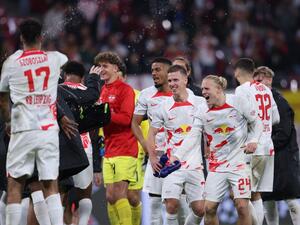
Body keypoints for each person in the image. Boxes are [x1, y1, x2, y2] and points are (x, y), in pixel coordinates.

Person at [0, 18, 68, 225]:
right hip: (47, 130)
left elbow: (2, 99)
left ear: (21, 38)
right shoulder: (55, 58)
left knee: (15, 184)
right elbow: (66, 60)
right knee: (50, 183)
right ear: (40, 37)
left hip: (22, 129)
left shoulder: (11, 63)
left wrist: (8, 122)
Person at [177, 75, 262, 225]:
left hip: (239, 164)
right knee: (209, 209)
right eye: (202, 88)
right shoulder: (202, 110)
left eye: (206, 88)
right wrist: (177, 156)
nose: (203, 92)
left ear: (219, 89)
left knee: (242, 206)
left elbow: (257, 123)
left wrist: (253, 141)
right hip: (216, 166)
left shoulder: (238, 102)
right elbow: (192, 136)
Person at [148, 65, 207, 225]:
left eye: (175, 80)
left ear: (185, 80)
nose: (172, 84)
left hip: (195, 164)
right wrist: (153, 157)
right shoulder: (163, 106)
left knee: (200, 209)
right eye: (170, 81)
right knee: (171, 205)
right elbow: (151, 133)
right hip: (173, 164)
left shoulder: (200, 102)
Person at [234, 58, 280, 225]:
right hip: (267, 148)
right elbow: (276, 118)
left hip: (250, 148)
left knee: (239, 194)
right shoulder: (266, 90)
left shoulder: (241, 90)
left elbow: (238, 120)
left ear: (237, 72)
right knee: (256, 193)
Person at [94, 51, 138, 225]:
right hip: (110, 149)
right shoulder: (103, 90)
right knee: (110, 196)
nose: (101, 69)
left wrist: (104, 113)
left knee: (120, 193)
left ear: (115, 68)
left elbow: (126, 119)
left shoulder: (126, 90)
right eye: (99, 66)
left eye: (105, 66)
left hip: (126, 148)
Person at [253, 66, 300, 225]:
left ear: (269, 80)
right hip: (267, 157)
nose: (258, 84)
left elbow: (284, 133)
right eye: (256, 80)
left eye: (261, 80)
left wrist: (263, 144)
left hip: (284, 157)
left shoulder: (280, 102)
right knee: (268, 202)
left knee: (292, 200)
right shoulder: (256, 103)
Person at [60, 61, 102, 225]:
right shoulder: (90, 93)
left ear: (64, 75)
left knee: (61, 193)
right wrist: (97, 166)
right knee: (84, 194)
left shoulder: (57, 91)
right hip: (85, 146)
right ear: (83, 77)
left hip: (63, 147)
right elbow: (96, 132)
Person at [131, 57, 172, 225]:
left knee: (177, 205)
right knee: (154, 203)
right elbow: (135, 123)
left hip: (179, 157)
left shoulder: (186, 95)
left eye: (158, 70)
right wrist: (146, 145)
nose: (154, 73)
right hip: (156, 156)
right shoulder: (147, 94)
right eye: (152, 70)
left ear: (169, 73)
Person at [118, 63, 149, 225]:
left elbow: (143, 124)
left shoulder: (138, 96)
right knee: (115, 196)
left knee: (132, 196)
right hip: (114, 152)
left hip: (134, 152)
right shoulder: (106, 96)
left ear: (124, 77)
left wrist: (145, 147)